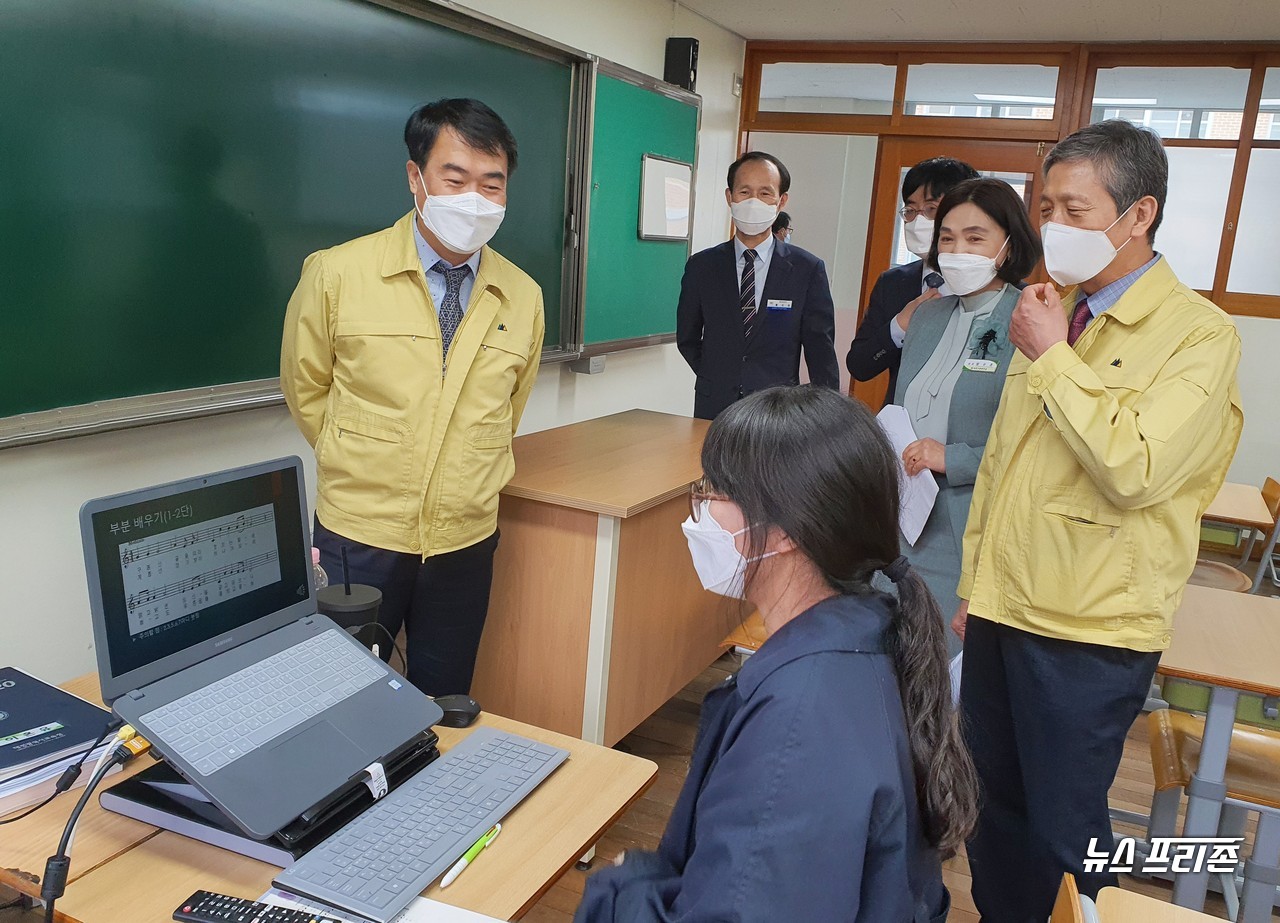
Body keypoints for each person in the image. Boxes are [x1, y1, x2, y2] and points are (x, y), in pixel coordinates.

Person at [954, 119, 1243, 920]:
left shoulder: (1199, 334)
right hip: (1005, 609)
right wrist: (978, 584)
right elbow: (1009, 469)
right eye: (1046, 205)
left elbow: (1135, 467)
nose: (1053, 226)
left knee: (1068, 832)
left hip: (1091, 626)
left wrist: (1052, 356)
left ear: (1138, 213)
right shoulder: (1055, 307)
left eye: (1075, 209)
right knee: (992, 814)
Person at [575, 385, 978, 922]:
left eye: (713, 491)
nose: (699, 513)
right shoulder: (868, 636)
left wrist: (624, 888)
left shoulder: (799, 721)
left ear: (786, 531)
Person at [280, 98, 544, 696]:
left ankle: (430, 794)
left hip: (464, 538)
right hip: (358, 534)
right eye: (456, 177)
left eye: (491, 183)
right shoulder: (337, 273)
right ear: (415, 177)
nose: (474, 198)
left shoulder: (522, 295)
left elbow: (507, 410)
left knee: (445, 698)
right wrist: (363, 461)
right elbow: (307, 390)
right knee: (340, 701)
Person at [891, 178, 1041, 659]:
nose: (958, 250)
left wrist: (950, 457)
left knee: (940, 673)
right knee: (887, 654)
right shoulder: (928, 316)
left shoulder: (1029, 320)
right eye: (948, 238)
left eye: (975, 238)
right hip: (902, 516)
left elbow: (1032, 446)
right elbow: (905, 407)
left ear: (1009, 245)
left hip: (968, 526)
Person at [676, 152, 839, 420]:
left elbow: (820, 350)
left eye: (765, 193)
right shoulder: (702, 266)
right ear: (729, 197)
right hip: (714, 406)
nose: (753, 201)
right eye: (744, 191)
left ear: (781, 201)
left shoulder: (807, 269)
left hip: (779, 410)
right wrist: (717, 376)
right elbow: (688, 338)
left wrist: (827, 416)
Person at [847, 157, 980, 406]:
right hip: (902, 430)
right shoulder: (893, 283)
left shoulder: (997, 287)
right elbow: (860, 366)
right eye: (911, 211)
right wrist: (899, 326)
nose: (918, 221)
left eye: (931, 209)